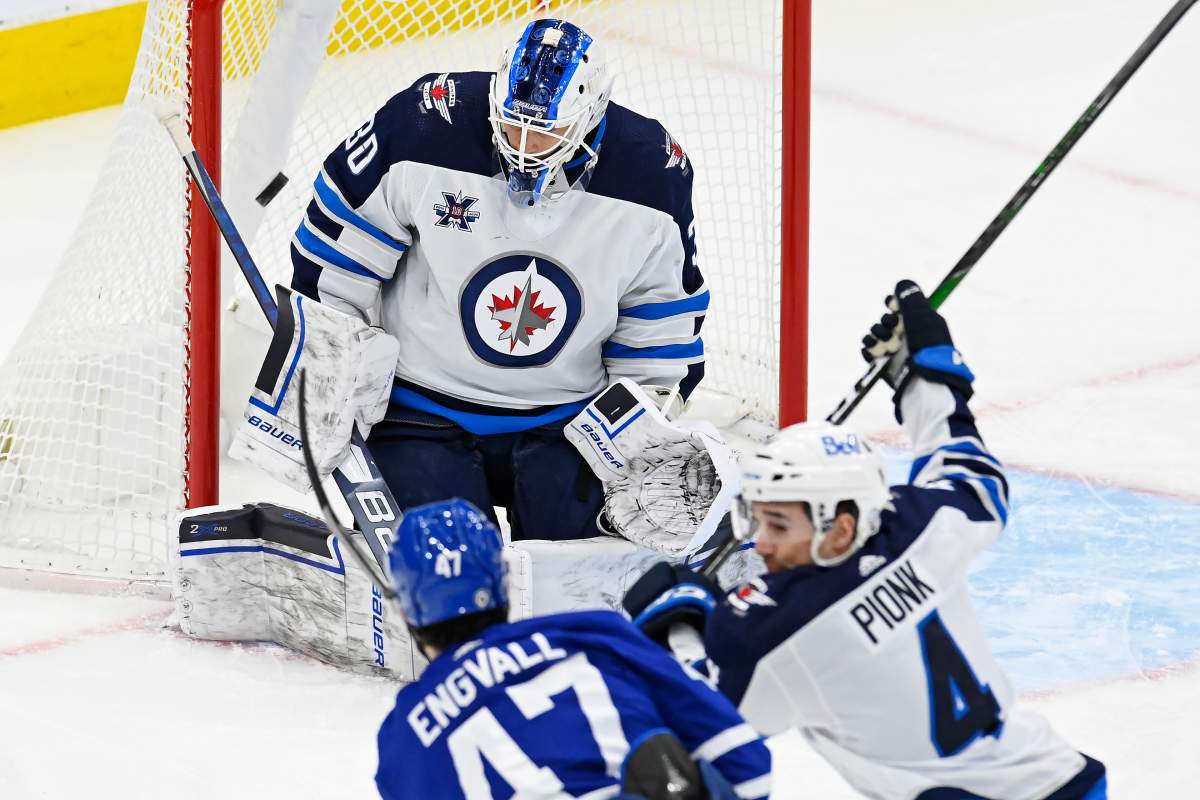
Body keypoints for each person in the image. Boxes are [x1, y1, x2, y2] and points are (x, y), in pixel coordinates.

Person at [624, 282, 1108, 799]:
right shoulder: (921, 525)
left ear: (844, 527)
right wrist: (926, 377)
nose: (761, 545)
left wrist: (679, 628)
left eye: (780, 526)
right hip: (1062, 777)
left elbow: (704, 733)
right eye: (760, 520)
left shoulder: (778, 629)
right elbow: (971, 474)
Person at [239, 16, 708, 543]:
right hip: (420, 413)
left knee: (582, 580)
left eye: (546, 131)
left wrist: (641, 432)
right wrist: (330, 364)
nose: (525, 147)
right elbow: (337, 248)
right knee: (445, 578)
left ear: (590, 117)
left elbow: (660, 319)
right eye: (513, 126)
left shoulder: (650, 175)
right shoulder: (425, 124)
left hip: (569, 427)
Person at [374, 498, 771, 800]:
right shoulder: (594, 636)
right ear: (504, 581)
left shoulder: (400, 745)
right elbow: (749, 770)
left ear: (405, 609)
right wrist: (685, 651)